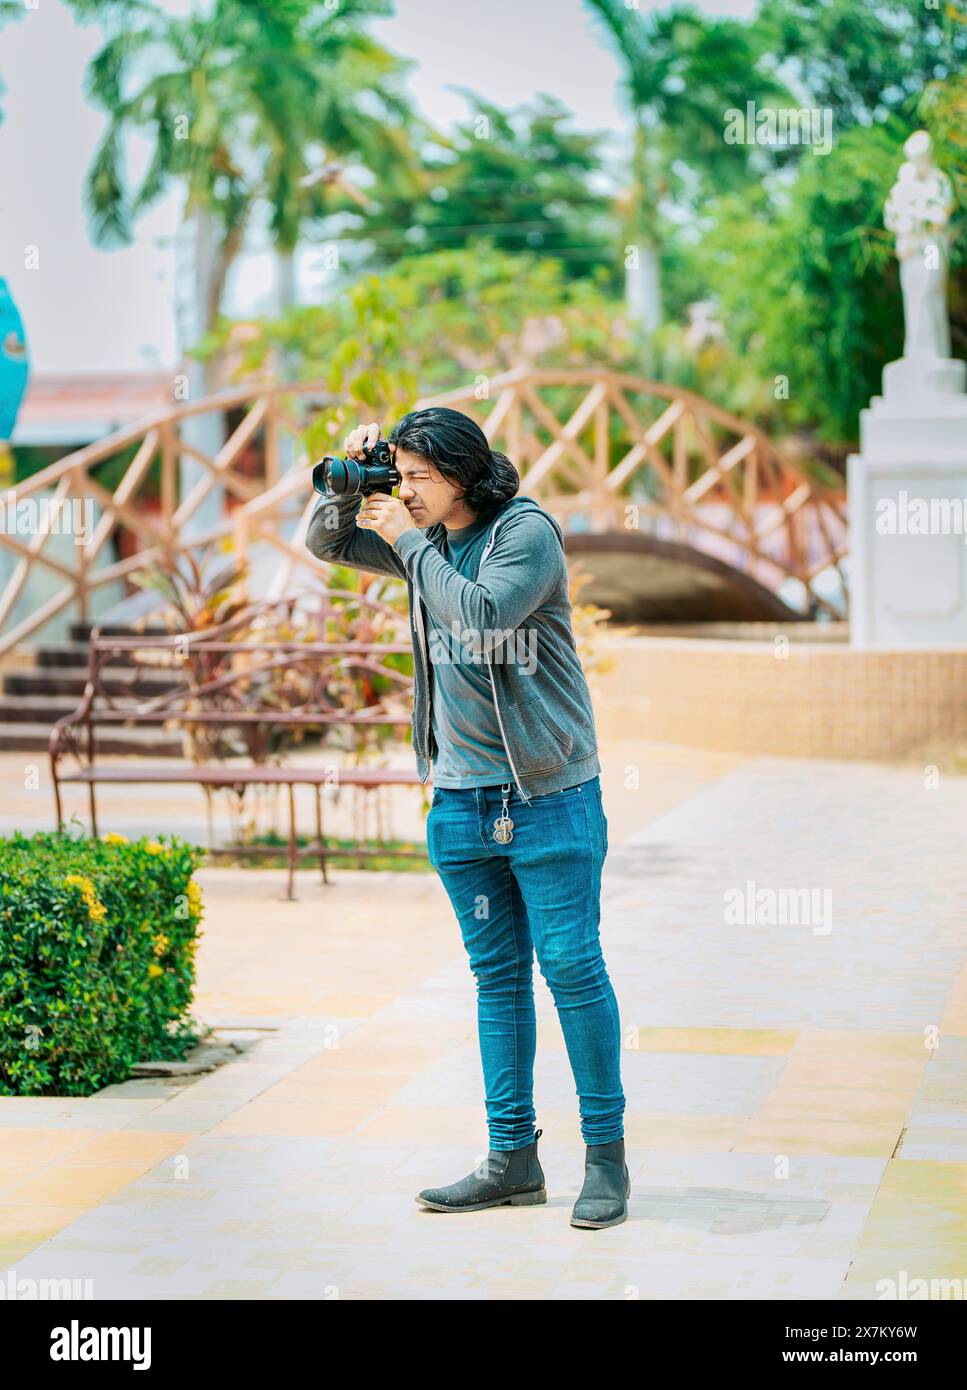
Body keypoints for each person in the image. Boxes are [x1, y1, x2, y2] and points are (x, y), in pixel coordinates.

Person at [305, 407, 629, 1229]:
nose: (405, 492)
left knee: (572, 972)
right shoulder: (424, 531)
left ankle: (606, 1162)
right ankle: (510, 1159)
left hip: (546, 796)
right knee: (496, 981)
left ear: (461, 475)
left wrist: (412, 542)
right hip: (459, 799)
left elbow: (482, 623)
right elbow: (329, 544)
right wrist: (356, 487)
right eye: (399, 476)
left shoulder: (525, 535)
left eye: (418, 478)